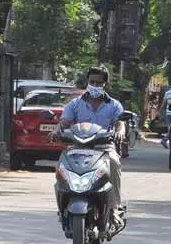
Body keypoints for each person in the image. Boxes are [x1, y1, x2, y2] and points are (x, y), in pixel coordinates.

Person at [52, 65, 126, 210]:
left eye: (99, 83)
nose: (95, 86)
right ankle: (63, 206)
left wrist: (120, 132)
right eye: (92, 82)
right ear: (87, 81)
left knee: (114, 162)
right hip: (78, 146)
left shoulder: (114, 105)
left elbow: (120, 123)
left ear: (106, 84)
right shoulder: (75, 104)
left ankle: (115, 207)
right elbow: (64, 123)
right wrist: (55, 132)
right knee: (61, 167)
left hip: (104, 147)